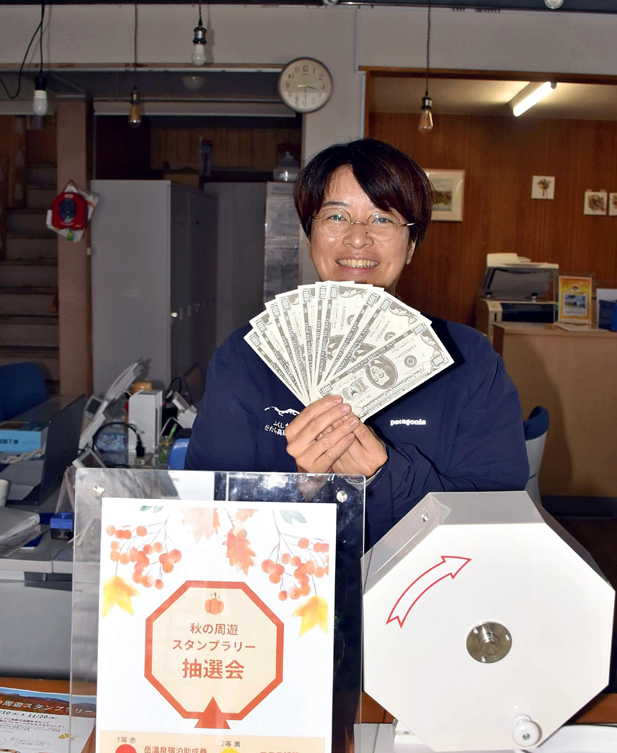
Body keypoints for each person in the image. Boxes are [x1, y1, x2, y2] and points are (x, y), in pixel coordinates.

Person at [185, 138, 529, 548]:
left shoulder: (468, 362)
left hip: (422, 594)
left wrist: (385, 476)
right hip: (289, 597)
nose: (357, 239)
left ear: (412, 243)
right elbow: (205, 517)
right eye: (336, 216)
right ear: (310, 234)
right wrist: (300, 490)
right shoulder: (246, 357)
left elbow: (496, 520)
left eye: (382, 219)